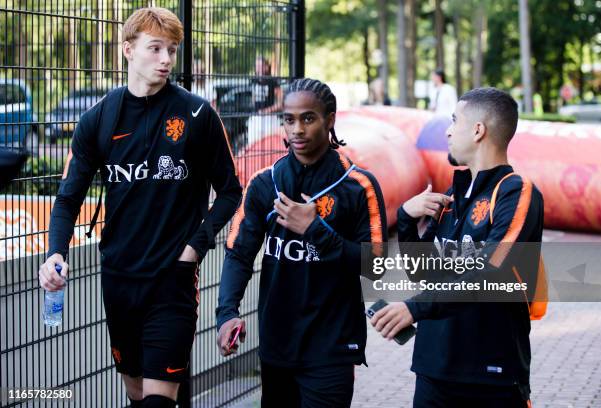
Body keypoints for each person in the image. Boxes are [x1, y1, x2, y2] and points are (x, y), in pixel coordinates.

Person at [38, 8, 242, 407]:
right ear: (128, 50)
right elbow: (67, 198)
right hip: (118, 280)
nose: (166, 59)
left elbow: (231, 192)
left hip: (172, 280)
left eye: (172, 49)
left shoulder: (198, 115)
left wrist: (193, 248)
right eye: (156, 48)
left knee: (158, 399)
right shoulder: (98, 118)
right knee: (136, 392)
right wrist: (55, 253)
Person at [216, 78, 388, 407]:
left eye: (308, 118)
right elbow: (238, 255)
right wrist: (227, 314)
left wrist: (315, 230)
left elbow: (377, 268)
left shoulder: (358, 186)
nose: (297, 129)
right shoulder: (265, 184)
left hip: (332, 349)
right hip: (277, 345)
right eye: (289, 119)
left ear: (330, 120)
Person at [371, 87, 543, 407]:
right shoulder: (453, 195)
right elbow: (424, 276)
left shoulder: (516, 193)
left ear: (478, 130)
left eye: (454, 120)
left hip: (492, 375)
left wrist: (414, 308)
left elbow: (491, 271)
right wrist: (406, 219)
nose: (448, 131)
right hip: (434, 371)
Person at [246, 56, 283, 145]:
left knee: (270, 145)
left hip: (269, 119)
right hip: (255, 118)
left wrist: (267, 110)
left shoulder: (273, 81)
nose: (259, 68)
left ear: (266, 67)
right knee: (254, 144)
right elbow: (253, 98)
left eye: (261, 65)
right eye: (257, 66)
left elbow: (281, 103)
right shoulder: (253, 80)